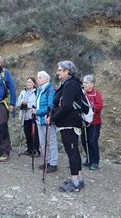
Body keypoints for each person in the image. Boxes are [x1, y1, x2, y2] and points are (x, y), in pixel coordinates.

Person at [49, 60, 85, 192]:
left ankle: (75, 182)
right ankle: (78, 179)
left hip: (69, 123)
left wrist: (53, 119)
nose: (57, 72)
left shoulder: (70, 85)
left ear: (67, 71)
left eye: (60, 70)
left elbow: (66, 106)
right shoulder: (70, 84)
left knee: (72, 152)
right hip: (70, 122)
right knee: (74, 151)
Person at [31, 71, 58, 173]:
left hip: (47, 120)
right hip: (39, 121)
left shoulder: (50, 90)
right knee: (43, 142)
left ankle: (53, 163)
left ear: (46, 79)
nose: (38, 79)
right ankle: (47, 161)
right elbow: (38, 103)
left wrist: (37, 112)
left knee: (51, 142)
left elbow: (50, 107)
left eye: (40, 78)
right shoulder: (39, 90)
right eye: (38, 77)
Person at [80, 75, 104, 171]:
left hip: (94, 122)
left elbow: (99, 106)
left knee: (93, 141)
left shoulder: (96, 94)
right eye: (83, 83)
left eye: (86, 82)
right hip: (83, 121)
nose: (84, 84)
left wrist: (90, 109)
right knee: (84, 140)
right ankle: (89, 158)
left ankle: (95, 161)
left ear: (92, 84)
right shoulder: (82, 93)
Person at [16, 77, 40, 156]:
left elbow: (37, 103)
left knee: (34, 133)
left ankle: (36, 150)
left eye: (30, 82)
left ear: (34, 83)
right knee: (27, 133)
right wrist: (22, 102)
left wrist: (28, 104)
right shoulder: (23, 92)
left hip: (33, 115)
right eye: (27, 82)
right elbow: (18, 103)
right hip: (24, 115)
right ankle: (29, 149)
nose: (28, 84)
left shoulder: (36, 92)